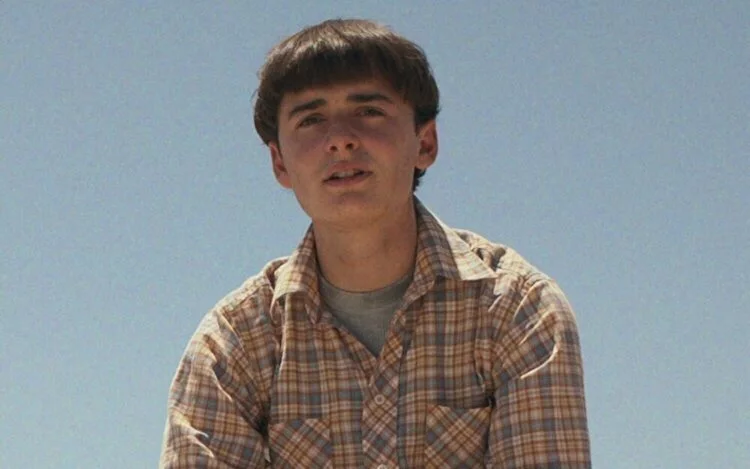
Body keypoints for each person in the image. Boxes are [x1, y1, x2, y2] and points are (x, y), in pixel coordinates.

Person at [160, 18, 591, 468]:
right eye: (311, 119)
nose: (341, 140)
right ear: (279, 163)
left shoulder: (516, 310)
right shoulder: (237, 342)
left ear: (425, 142)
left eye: (368, 112)